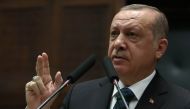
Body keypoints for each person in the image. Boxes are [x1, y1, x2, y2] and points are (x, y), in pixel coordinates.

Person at [25, 4, 190, 109]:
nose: (118, 43)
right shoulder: (79, 96)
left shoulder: (182, 103)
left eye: (131, 34)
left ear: (159, 48)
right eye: (114, 34)